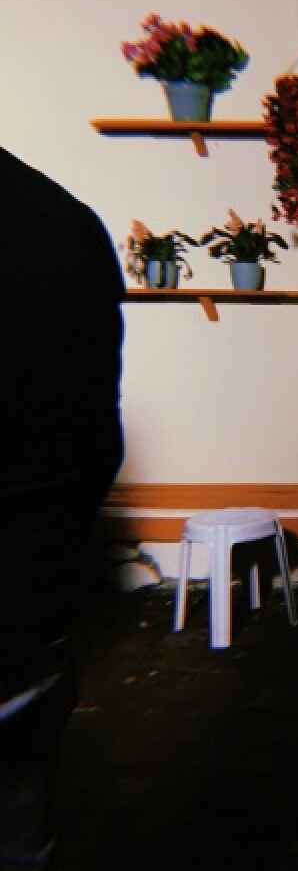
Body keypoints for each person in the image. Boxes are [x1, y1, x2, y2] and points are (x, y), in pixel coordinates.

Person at [0, 147, 125, 871]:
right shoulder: (64, 224)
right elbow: (96, 441)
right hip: (23, 604)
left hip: (26, 593)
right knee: (20, 834)